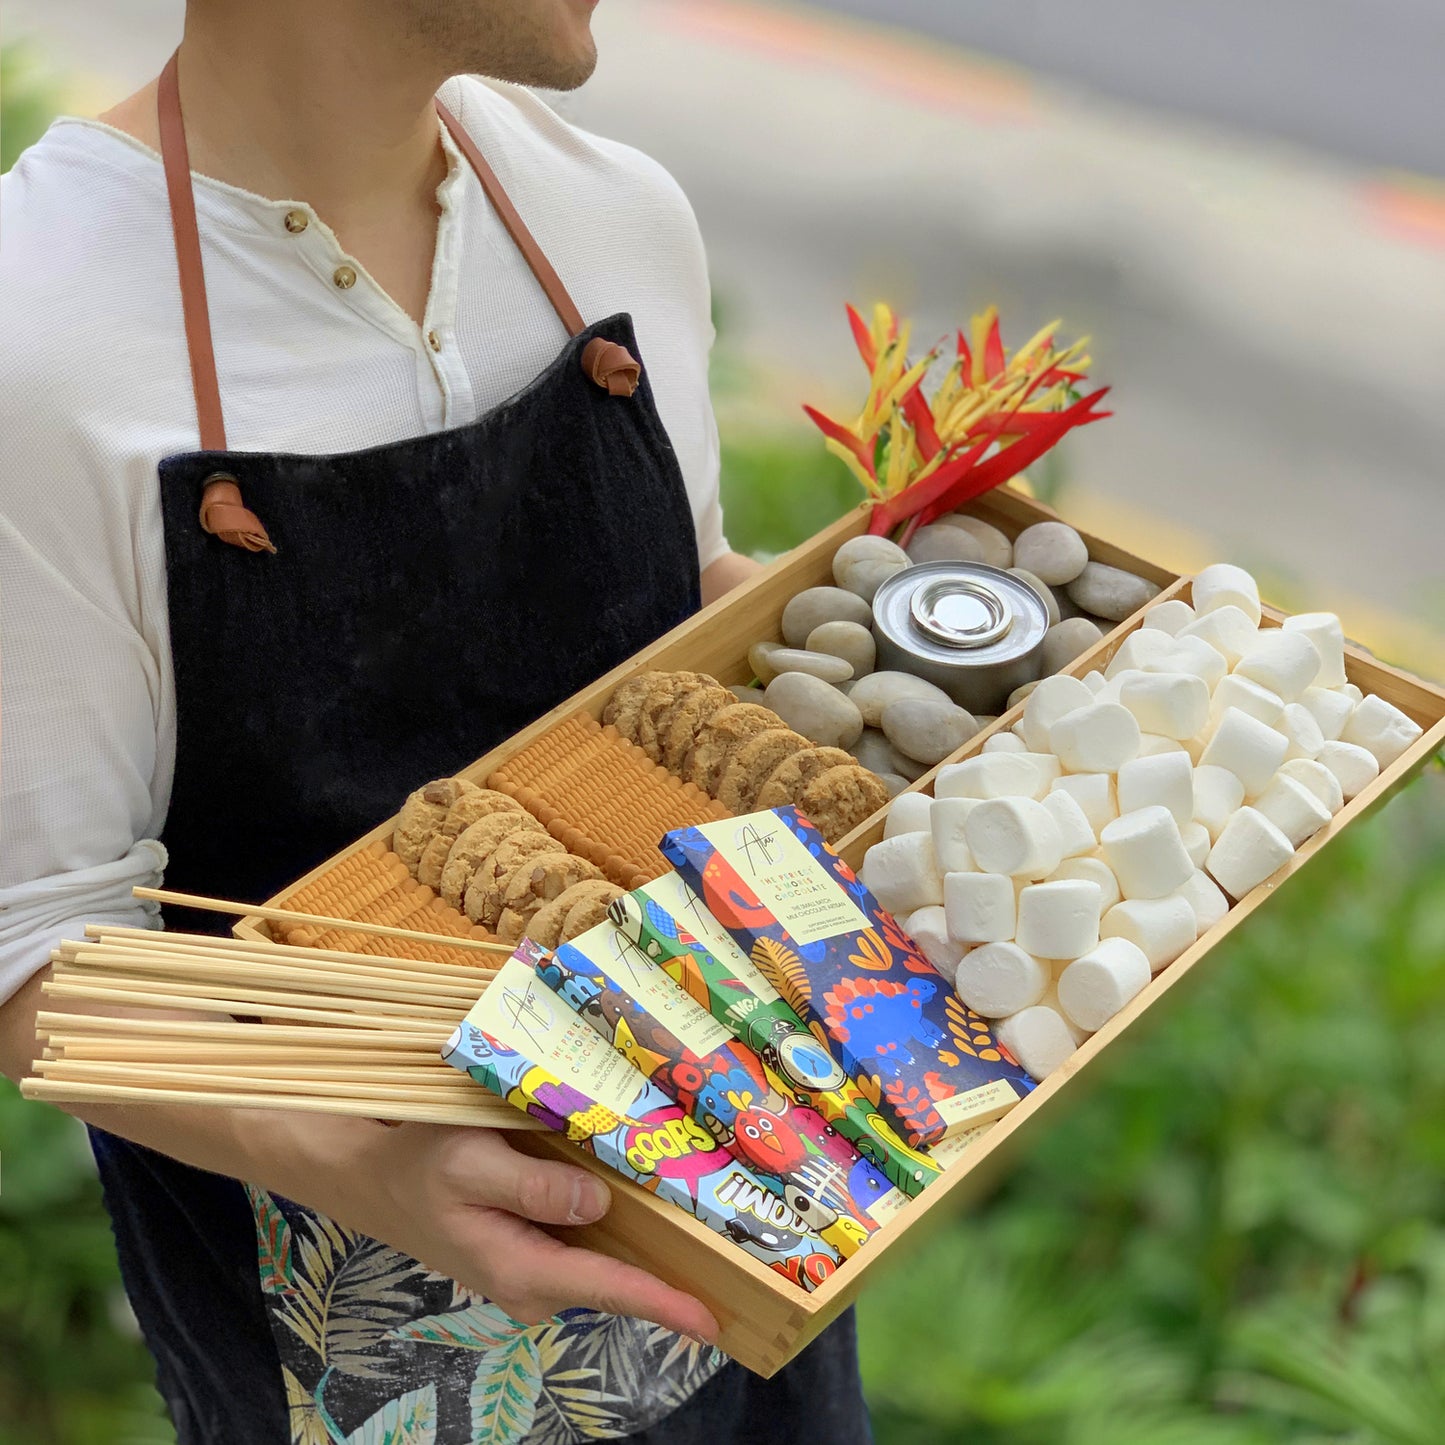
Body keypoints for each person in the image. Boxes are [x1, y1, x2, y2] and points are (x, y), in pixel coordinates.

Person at [0, 1, 871, 1440]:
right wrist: (357, 1152)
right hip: (356, 1347)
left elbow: (680, 645)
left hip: (755, 1204)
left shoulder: (614, 216)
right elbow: (35, 944)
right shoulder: (40, 340)